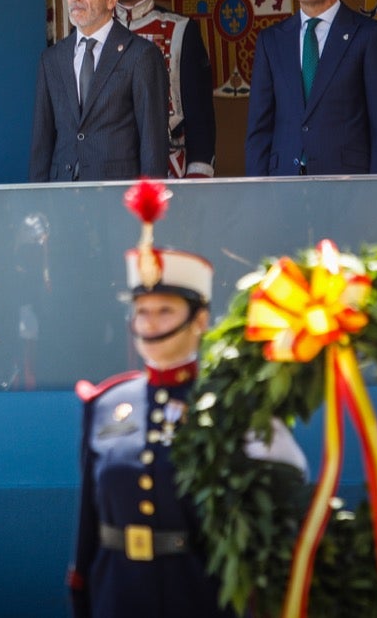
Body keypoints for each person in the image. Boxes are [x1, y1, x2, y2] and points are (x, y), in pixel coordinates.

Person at [69, 180, 295, 618]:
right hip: (117, 594)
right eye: (143, 311)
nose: (151, 324)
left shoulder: (230, 403)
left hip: (198, 595)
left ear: (200, 319)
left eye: (166, 311)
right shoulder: (104, 404)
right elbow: (88, 530)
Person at [244, 0, 377, 176]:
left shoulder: (369, 37)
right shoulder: (271, 40)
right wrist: (258, 195)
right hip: (283, 187)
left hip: (348, 188)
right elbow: (259, 129)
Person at [31, 0, 169, 182]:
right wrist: (36, 205)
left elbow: (153, 142)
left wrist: (147, 211)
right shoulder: (52, 58)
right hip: (62, 195)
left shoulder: (141, 55)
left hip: (117, 195)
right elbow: (41, 141)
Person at [104, 0, 215, 177]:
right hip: (106, 170)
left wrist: (199, 174)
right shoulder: (94, 30)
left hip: (168, 169)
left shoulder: (180, 29)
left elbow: (200, 115)